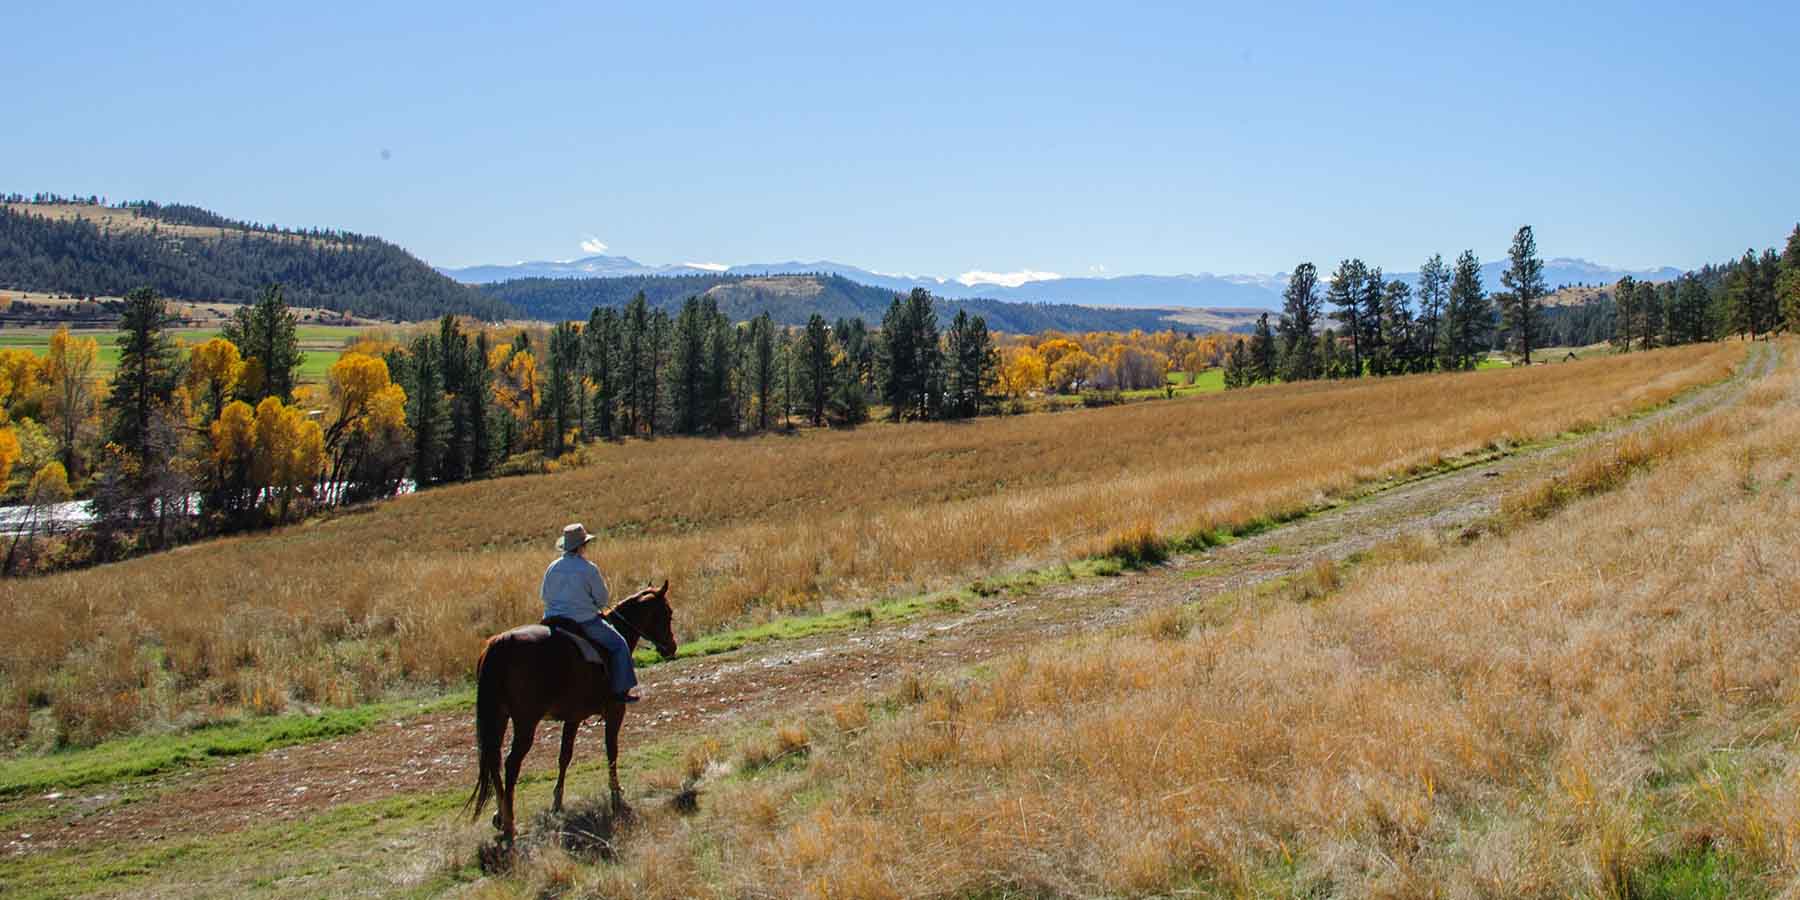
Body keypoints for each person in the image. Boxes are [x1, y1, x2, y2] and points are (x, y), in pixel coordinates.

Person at [541, 523, 639, 703]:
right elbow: (602, 600)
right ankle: (621, 691)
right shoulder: (588, 568)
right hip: (582, 621)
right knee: (619, 645)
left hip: (552, 621)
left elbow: (544, 595)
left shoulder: (552, 567)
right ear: (582, 546)